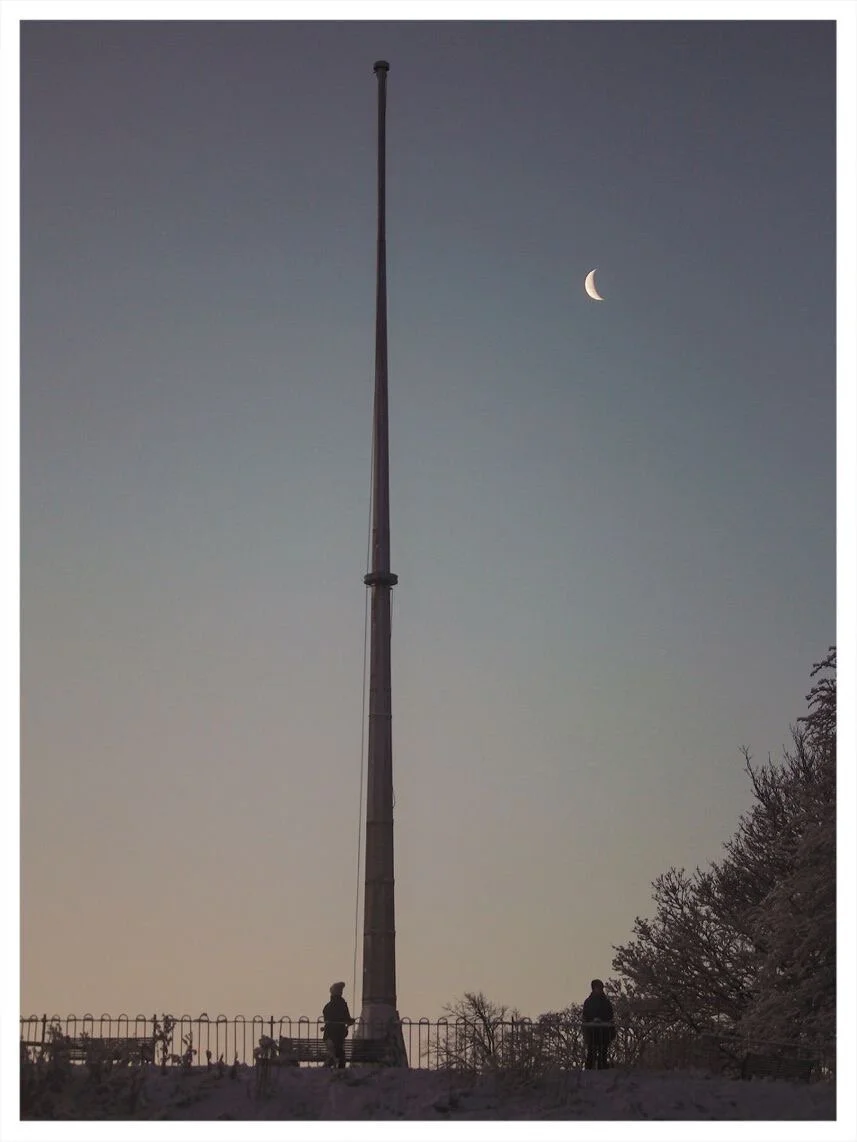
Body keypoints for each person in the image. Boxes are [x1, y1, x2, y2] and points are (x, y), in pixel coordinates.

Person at [582, 978, 616, 1070]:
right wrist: (592, 1021)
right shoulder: (588, 1002)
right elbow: (585, 1016)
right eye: (597, 987)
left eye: (600, 987)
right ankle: (589, 1070)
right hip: (592, 1031)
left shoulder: (606, 1002)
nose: (599, 989)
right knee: (591, 1052)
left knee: (603, 1052)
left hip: (604, 1032)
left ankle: (602, 1068)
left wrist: (604, 1022)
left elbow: (610, 1015)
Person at [322, 981, 355, 1069]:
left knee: (333, 1052)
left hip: (328, 1035)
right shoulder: (342, 1004)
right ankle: (339, 1070)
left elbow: (326, 1019)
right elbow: (346, 1018)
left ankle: (328, 1067)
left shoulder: (327, 1006)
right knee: (340, 1054)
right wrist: (351, 1021)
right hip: (338, 1035)